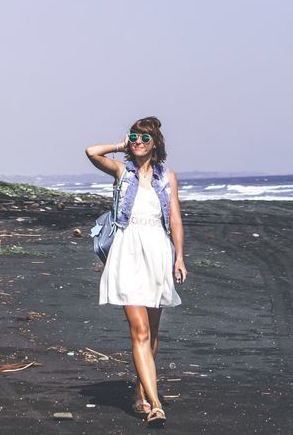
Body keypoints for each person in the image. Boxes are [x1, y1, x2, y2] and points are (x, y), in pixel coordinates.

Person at [85, 116, 187, 426]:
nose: (138, 142)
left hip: (157, 251)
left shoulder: (167, 177)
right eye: (134, 137)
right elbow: (91, 151)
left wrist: (179, 257)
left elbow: (176, 219)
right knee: (139, 330)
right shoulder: (121, 172)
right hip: (127, 251)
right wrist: (120, 145)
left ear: (156, 143)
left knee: (152, 333)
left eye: (144, 138)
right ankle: (156, 405)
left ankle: (141, 392)